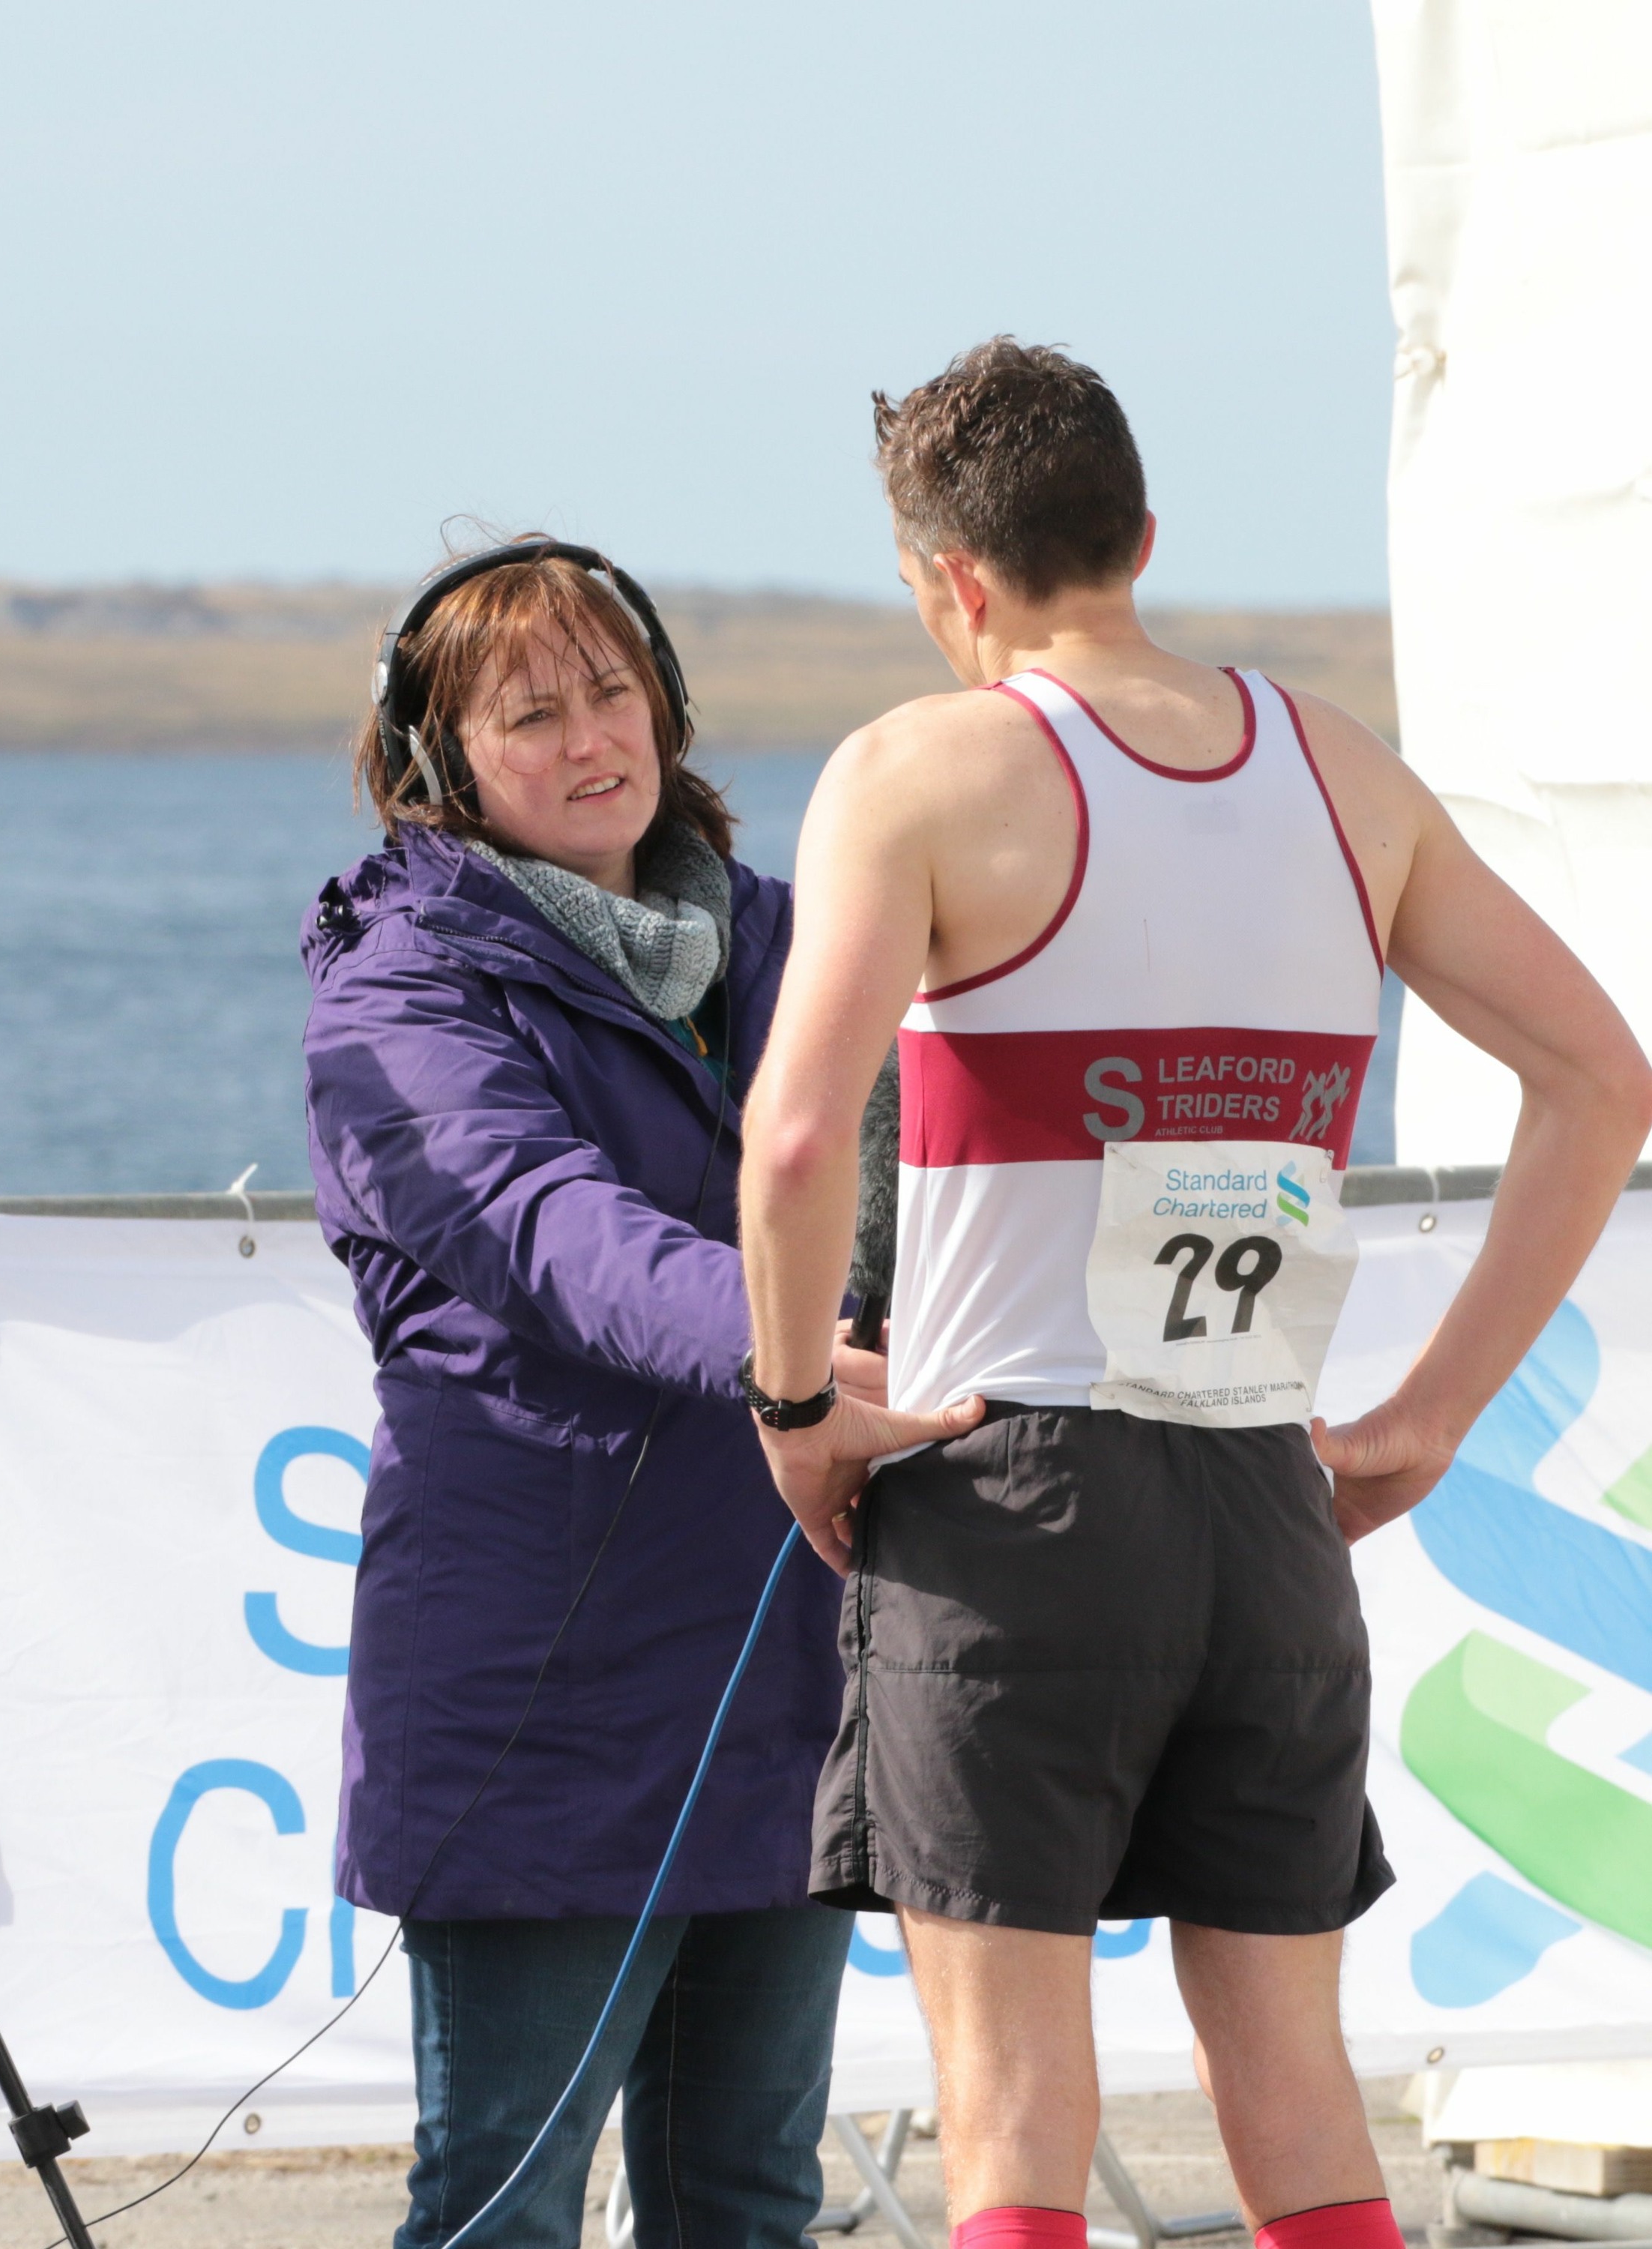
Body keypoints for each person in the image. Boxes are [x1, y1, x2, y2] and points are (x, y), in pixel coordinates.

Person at [735, 343, 1652, 2249]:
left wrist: (798, 1408)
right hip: (1263, 1497)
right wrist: (1431, 1417)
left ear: (952, 582)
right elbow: (1602, 1082)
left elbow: (799, 1139)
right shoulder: (1344, 773)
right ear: (1141, 537)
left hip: (1007, 1495)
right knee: (1300, 2103)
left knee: (1012, 2122)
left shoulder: (919, 767)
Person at [301, 538, 959, 2249]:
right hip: (540, 1695)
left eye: (613, 692)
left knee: (747, 2198)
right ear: (440, 762)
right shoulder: (398, 988)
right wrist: (789, 1351)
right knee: (503, 2209)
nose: (592, 739)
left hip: (787, 1674)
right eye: (531, 715)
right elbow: (545, 1222)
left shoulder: (795, 939)